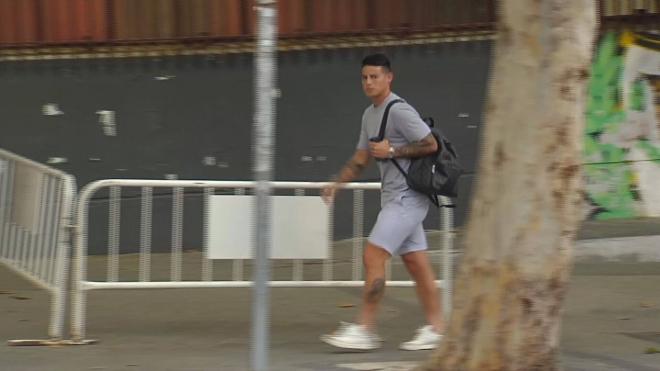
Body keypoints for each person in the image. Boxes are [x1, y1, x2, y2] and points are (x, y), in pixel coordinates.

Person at [320, 53, 444, 351]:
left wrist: (394, 151)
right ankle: (438, 328)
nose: (369, 82)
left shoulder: (399, 110)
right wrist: (338, 184)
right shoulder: (369, 115)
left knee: (373, 256)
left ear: (389, 77)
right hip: (394, 198)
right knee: (416, 263)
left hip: (407, 198)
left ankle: (365, 329)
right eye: (364, 77)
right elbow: (362, 157)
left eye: (375, 76)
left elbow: (431, 144)